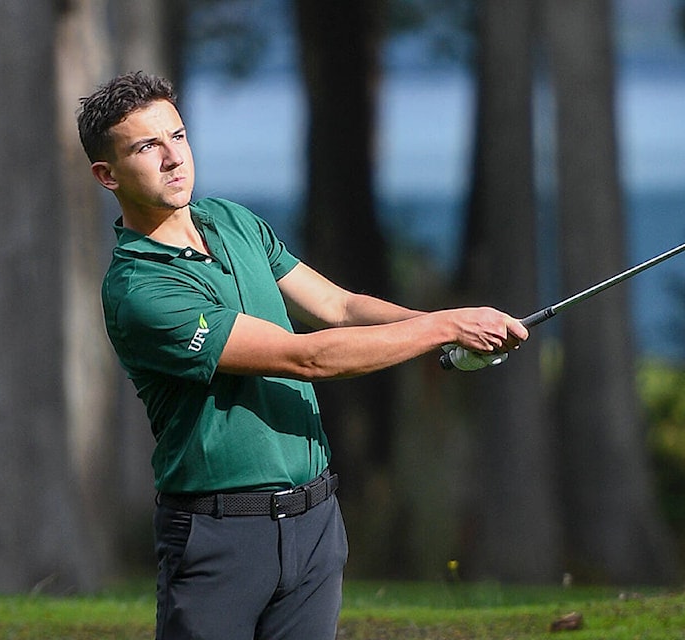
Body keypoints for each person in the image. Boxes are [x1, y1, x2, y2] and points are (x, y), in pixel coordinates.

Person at [77, 71, 527, 640]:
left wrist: (457, 330)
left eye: (179, 136)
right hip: (219, 535)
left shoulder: (232, 221)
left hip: (314, 521)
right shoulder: (141, 291)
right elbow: (303, 357)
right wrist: (441, 327)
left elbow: (338, 307)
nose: (174, 158)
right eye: (148, 146)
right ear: (106, 174)